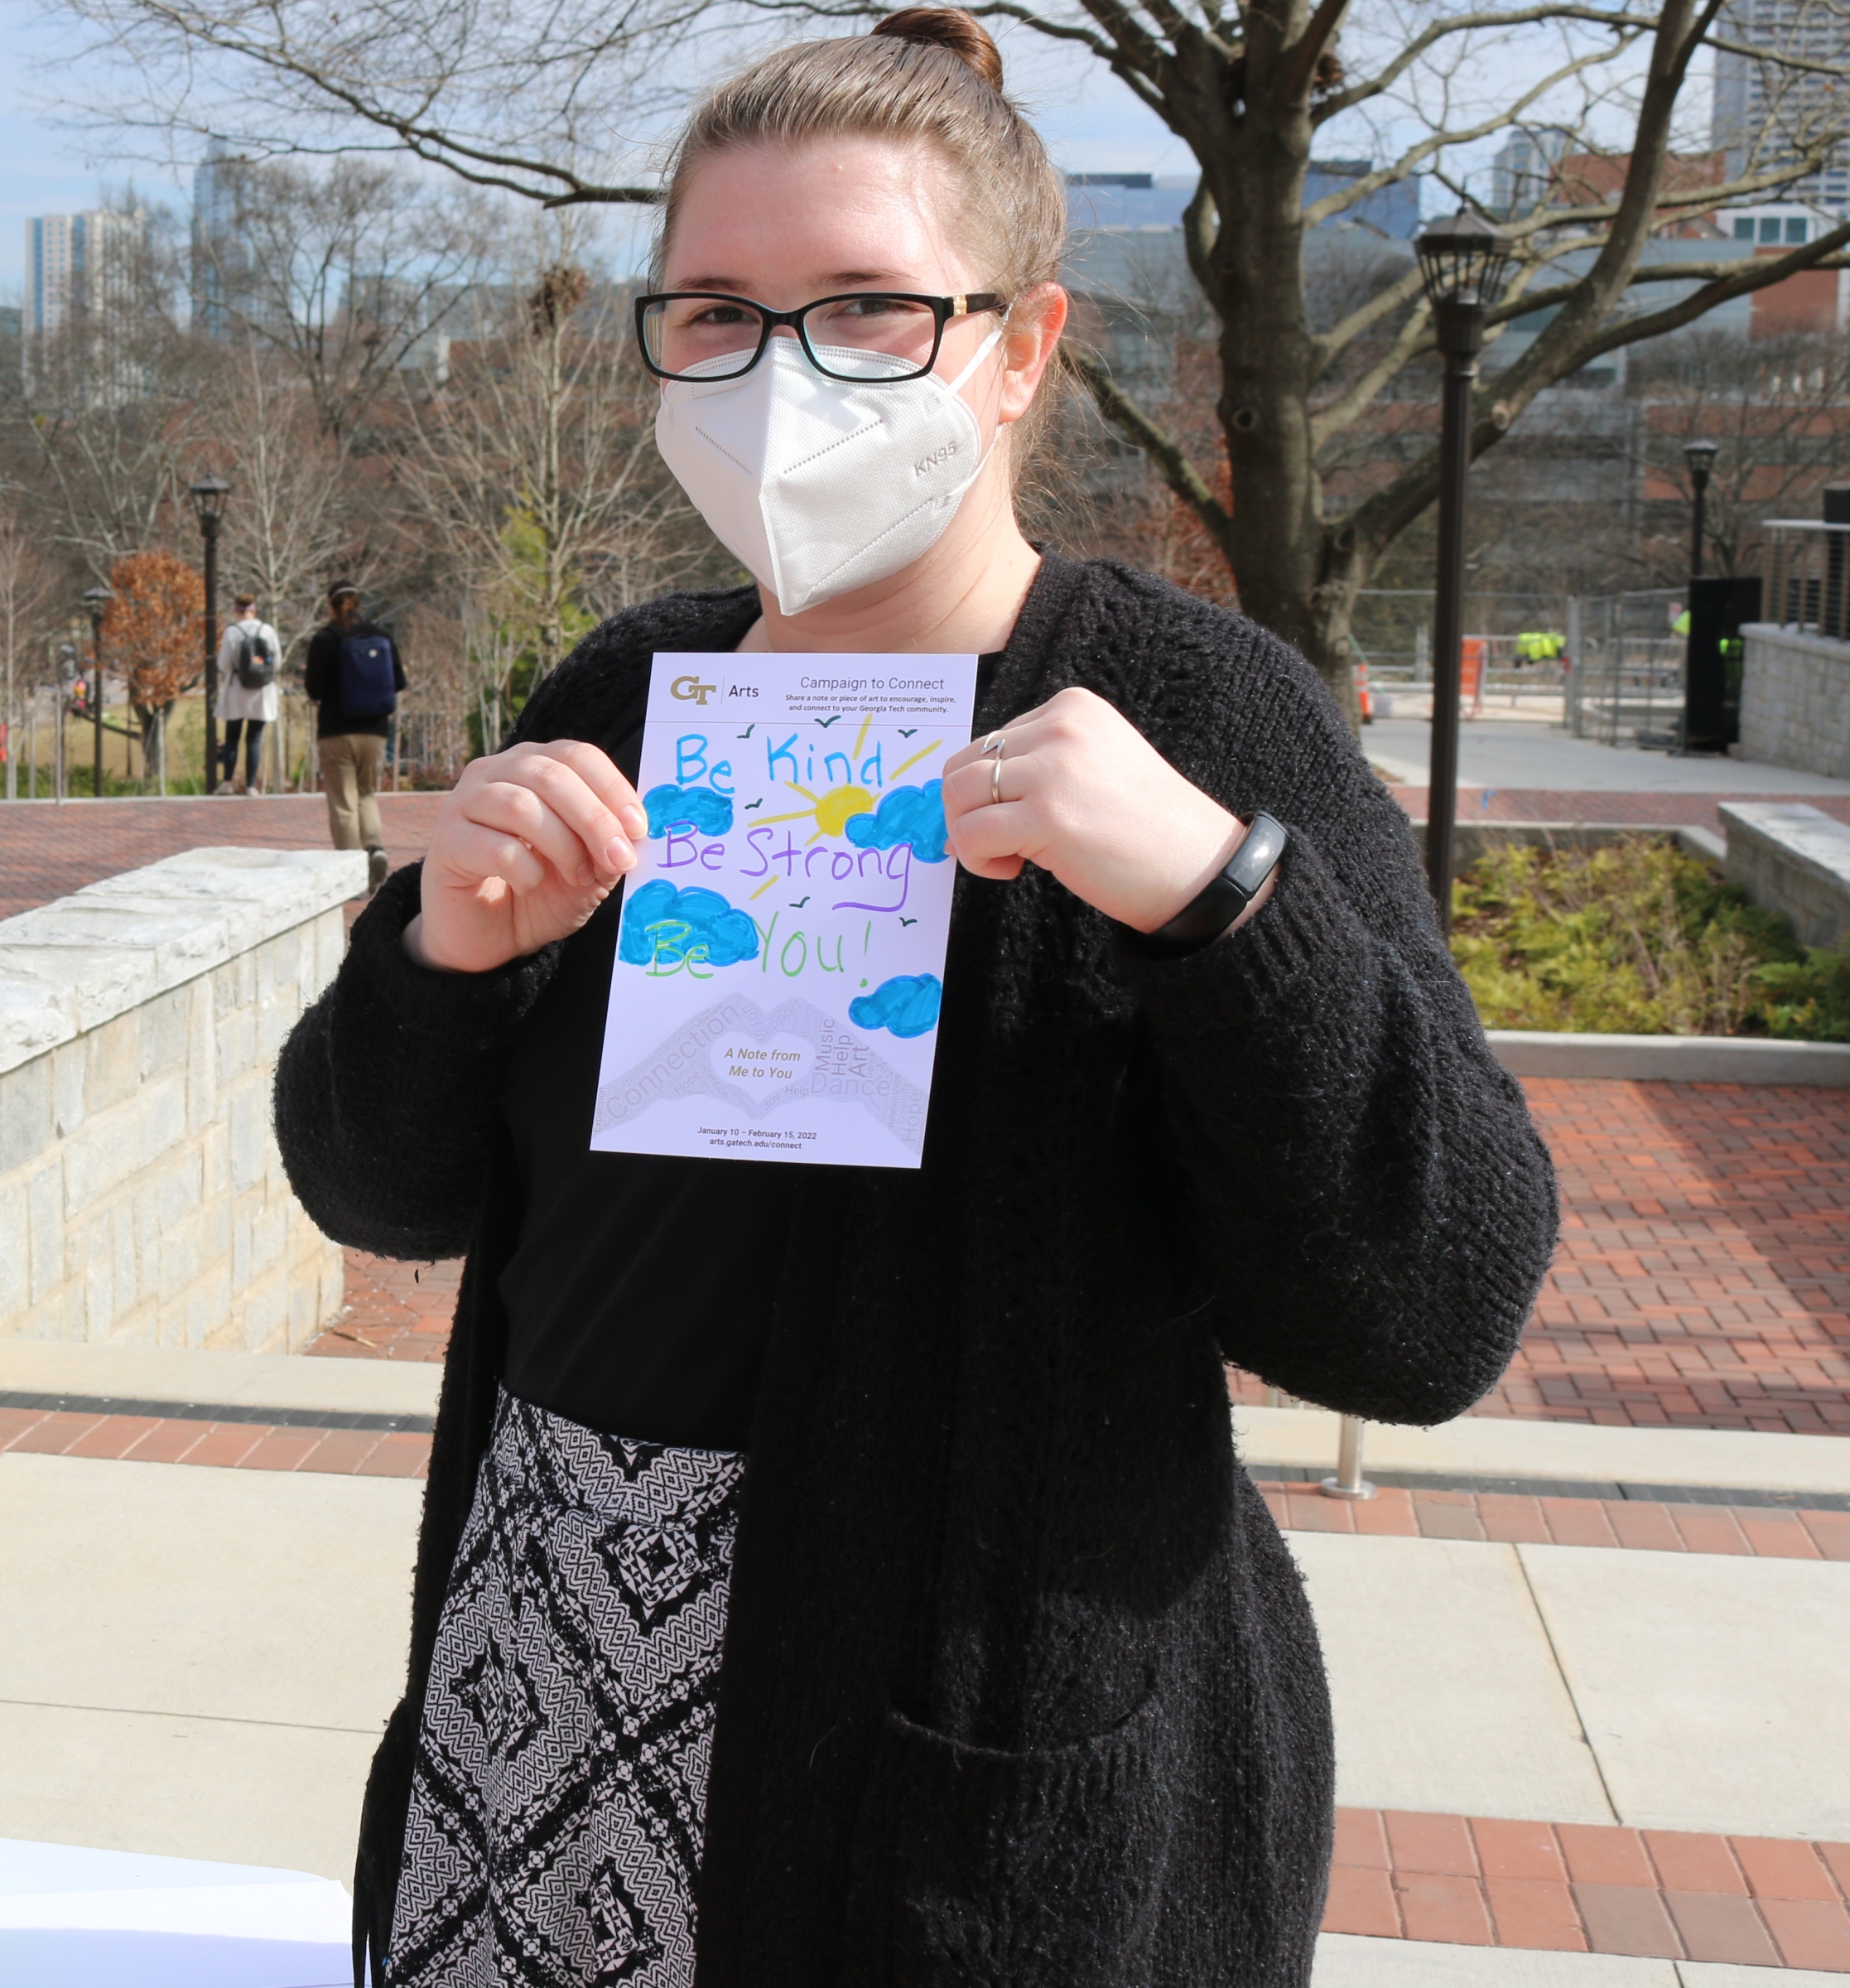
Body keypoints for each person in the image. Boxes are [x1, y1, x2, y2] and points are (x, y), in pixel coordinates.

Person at [276, 14, 1559, 1986]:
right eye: (714, 312)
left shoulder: (1198, 713)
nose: (777, 376)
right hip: (535, 1691)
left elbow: (1432, 1304)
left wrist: (1223, 902)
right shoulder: (625, 693)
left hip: (971, 1781)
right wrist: (438, 950)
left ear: (1021, 345)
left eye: (868, 308)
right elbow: (382, 1186)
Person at [304, 581, 406, 892]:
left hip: (336, 731)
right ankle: (375, 847)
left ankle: (352, 874)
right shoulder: (380, 635)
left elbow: (314, 689)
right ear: (358, 602)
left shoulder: (325, 639)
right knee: (365, 793)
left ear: (330, 605)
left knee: (343, 803)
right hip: (374, 731)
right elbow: (399, 681)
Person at [214, 592, 282, 794]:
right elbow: (277, 662)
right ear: (254, 609)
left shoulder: (232, 632)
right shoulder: (267, 631)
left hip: (237, 690)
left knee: (232, 736)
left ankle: (228, 782)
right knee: (254, 738)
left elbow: (224, 664)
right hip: (262, 691)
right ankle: (251, 785)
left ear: (236, 611)